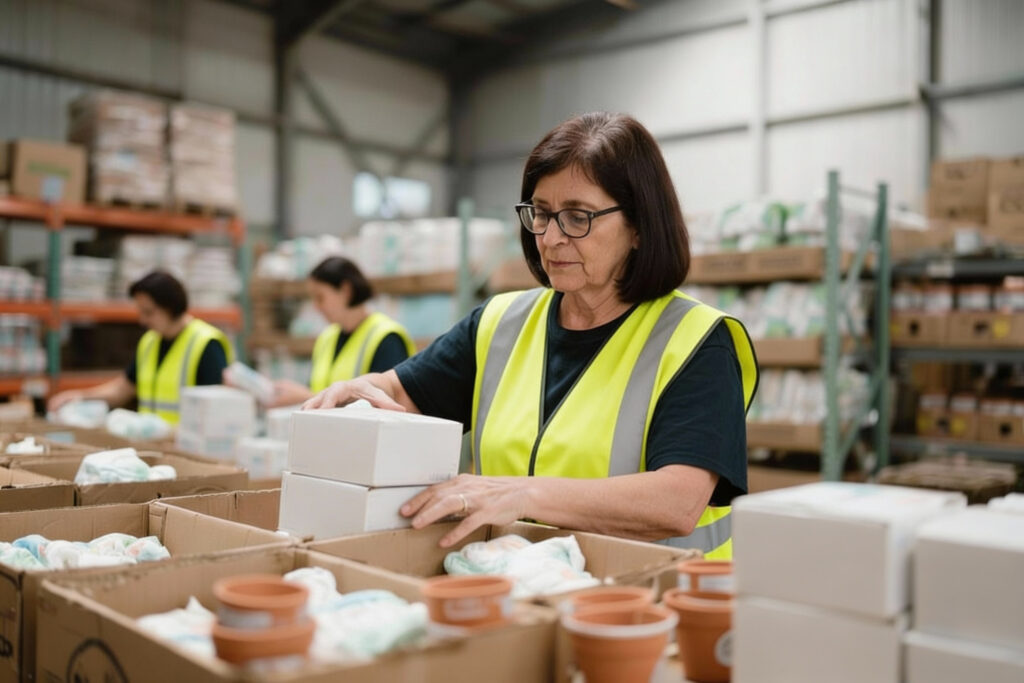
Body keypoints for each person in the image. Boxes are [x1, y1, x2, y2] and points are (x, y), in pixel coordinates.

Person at [303, 112, 758, 559]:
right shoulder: (500, 324)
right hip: (526, 595)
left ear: (638, 226)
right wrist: (365, 391)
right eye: (541, 214)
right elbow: (403, 392)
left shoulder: (696, 342)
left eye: (578, 217)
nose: (551, 238)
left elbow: (677, 502)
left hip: (652, 609)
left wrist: (523, 495)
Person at [48, 270, 234, 425]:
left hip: (190, 450)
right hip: (152, 448)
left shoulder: (206, 344)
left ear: (171, 307)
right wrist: (78, 396)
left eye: (149, 312)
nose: (143, 320)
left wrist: (172, 434)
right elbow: (123, 388)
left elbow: (215, 413)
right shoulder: (150, 341)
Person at [269, 256, 416, 407]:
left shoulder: (387, 337)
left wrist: (305, 397)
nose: (316, 307)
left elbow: (383, 406)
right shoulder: (327, 337)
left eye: (320, 297)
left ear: (345, 291)